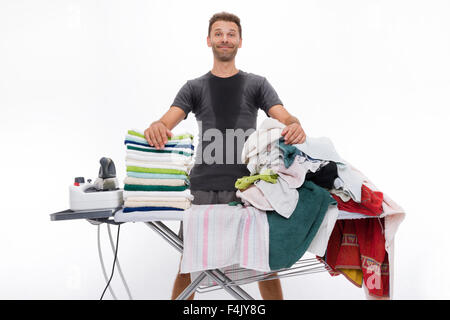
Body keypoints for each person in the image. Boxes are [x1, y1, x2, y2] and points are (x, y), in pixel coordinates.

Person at [144, 12, 306, 300]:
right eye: (218, 33)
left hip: (248, 187)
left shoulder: (257, 84)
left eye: (231, 34)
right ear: (209, 40)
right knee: (188, 263)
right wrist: (157, 127)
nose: (225, 39)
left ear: (240, 41)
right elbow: (166, 122)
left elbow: (283, 116)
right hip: (202, 187)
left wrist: (294, 123)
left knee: (264, 263)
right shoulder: (194, 87)